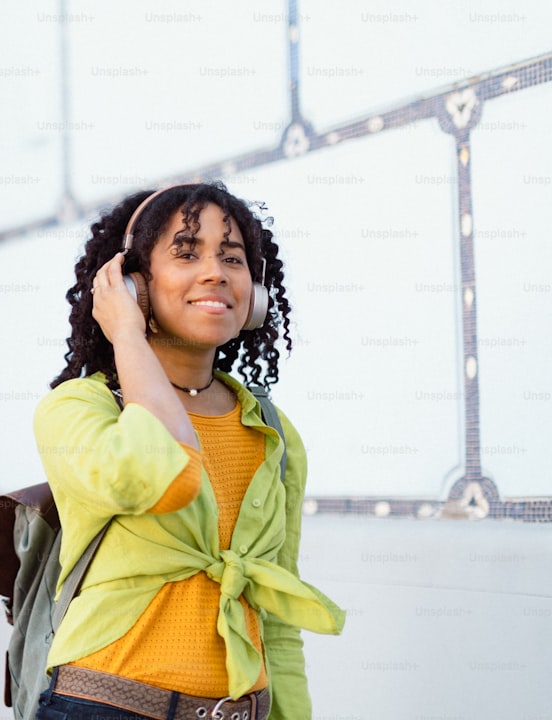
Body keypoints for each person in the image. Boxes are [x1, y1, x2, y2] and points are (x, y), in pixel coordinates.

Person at [32, 182, 345, 720]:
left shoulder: (272, 430)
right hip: (105, 705)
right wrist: (128, 337)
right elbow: (160, 474)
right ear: (133, 284)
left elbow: (277, 624)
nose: (215, 272)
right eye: (186, 252)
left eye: (232, 258)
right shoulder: (77, 409)